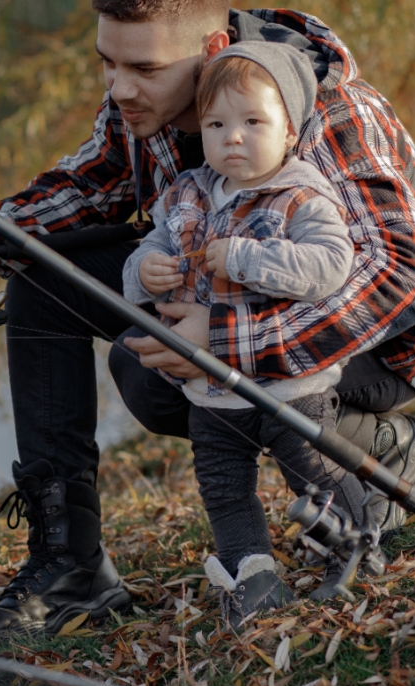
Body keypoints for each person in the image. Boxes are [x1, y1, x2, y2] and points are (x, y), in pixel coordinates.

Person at [0, 0, 415, 646]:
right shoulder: (145, 104)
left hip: (377, 353)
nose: (118, 88)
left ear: (209, 46)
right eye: (106, 63)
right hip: (226, 298)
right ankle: (71, 570)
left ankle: (375, 445)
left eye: (141, 67)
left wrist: (225, 340)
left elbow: (398, 279)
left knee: (166, 366)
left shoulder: (329, 111)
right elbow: (91, 182)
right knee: (43, 276)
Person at [123, 41, 375, 628]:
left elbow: (330, 267)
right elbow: (148, 252)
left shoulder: (301, 195)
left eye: (252, 122)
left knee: (314, 472)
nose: (232, 137)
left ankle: (358, 538)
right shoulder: (187, 193)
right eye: (216, 124)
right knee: (224, 490)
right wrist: (143, 270)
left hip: (290, 384)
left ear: (289, 131)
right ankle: (252, 573)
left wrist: (244, 259)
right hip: (210, 394)